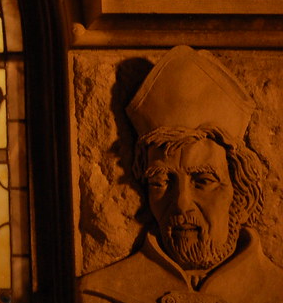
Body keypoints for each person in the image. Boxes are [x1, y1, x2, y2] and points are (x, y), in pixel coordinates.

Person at [78, 46, 283, 303]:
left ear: (242, 196)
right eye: (161, 182)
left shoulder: (275, 293)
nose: (181, 203)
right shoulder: (100, 295)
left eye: (203, 181)